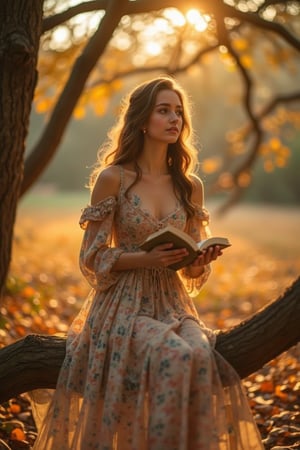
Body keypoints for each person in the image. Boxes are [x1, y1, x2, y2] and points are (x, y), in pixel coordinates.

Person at [32, 76, 264, 449]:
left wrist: (199, 259)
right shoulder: (113, 179)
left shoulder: (190, 186)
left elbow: (190, 269)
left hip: (172, 303)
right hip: (123, 304)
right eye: (164, 111)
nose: (175, 119)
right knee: (172, 354)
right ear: (142, 120)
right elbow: (90, 257)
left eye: (178, 112)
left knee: (200, 351)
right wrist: (145, 257)